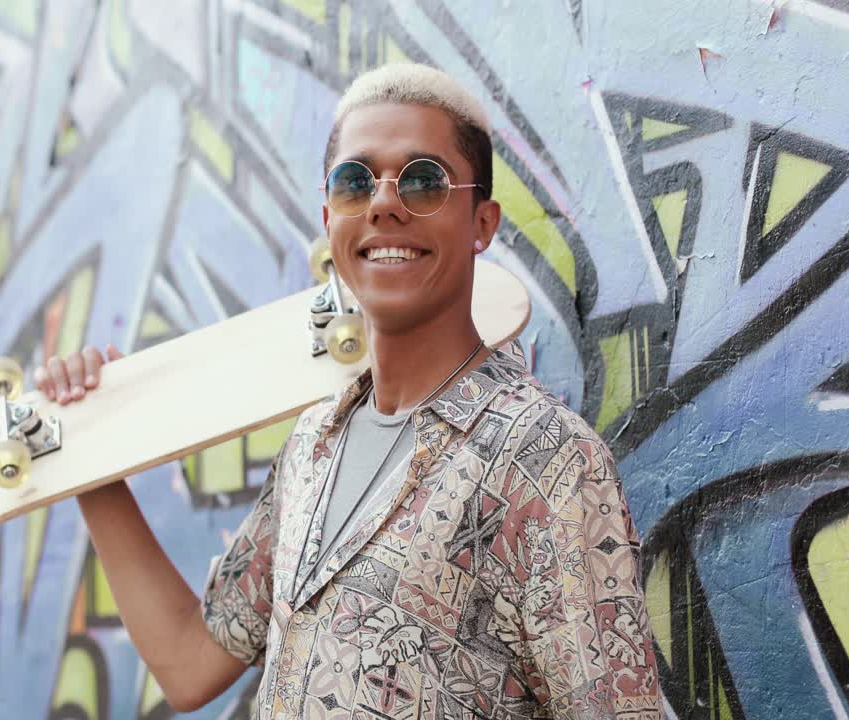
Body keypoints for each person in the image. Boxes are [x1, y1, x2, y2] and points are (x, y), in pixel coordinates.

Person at [35, 63, 661, 719]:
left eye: (423, 180)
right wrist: (89, 461)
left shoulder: (548, 462)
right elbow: (192, 663)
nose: (385, 202)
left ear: (482, 222)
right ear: (330, 218)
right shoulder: (313, 446)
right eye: (356, 181)